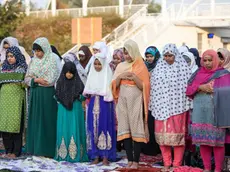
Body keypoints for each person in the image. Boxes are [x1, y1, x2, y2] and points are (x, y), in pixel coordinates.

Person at [149, 44, 191, 171]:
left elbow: (187, 90)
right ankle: (167, 163)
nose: (167, 58)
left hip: (178, 108)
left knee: (177, 138)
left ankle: (177, 164)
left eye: (170, 55)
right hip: (161, 107)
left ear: (175, 55)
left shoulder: (183, 69)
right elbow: (154, 88)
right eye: (165, 56)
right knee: (162, 138)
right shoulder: (158, 69)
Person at [186, 50, 229, 172]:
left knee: (217, 142)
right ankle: (206, 168)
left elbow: (228, 92)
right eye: (205, 60)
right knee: (203, 141)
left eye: (210, 60)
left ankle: (218, 169)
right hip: (200, 112)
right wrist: (200, 87)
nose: (207, 63)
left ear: (215, 60)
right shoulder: (198, 73)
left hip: (216, 113)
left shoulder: (223, 74)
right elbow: (188, 89)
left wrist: (215, 89)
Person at [112, 39, 150, 169]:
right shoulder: (120, 66)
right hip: (122, 101)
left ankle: (136, 161)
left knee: (136, 129)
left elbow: (144, 86)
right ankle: (129, 159)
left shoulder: (141, 66)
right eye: (125, 53)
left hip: (135, 101)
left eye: (128, 53)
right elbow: (114, 85)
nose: (127, 56)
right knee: (125, 129)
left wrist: (134, 78)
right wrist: (120, 77)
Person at [25, 37, 59, 158]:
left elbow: (50, 80)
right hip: (35, 95)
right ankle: (35, 149)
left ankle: (47, 150)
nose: (37, 53)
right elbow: (27, 79)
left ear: (45, 49)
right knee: (36, 120)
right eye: (35, 51)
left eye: (39, 51)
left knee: (47, 121)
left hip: (47, 95)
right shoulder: (33, 61)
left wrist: (35, 80)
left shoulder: (52, 60)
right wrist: (36, 80)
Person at [83, 46, 116, 166]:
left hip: (105, 103)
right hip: (93, 103)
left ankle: (106, 156)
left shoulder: (107, 74)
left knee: (104, 126)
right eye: (95, 64)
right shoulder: (92, 74)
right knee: (93, 127)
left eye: (99, 64)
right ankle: (95, 155)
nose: (97, 66)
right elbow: (88, 90)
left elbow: (109, 91)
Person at [55, 61, 88, 162]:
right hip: (63, 111)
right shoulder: (60, 82)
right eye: (67, 72)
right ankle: (62, 154)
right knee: (63, 129)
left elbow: (83, 96)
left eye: (71, 72)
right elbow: (57, 96)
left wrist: (79, 97)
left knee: (74, 128)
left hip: (75, 110)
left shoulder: (78, 82)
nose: (69, 74)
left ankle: (77, 154)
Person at [0, 46, 27, 158]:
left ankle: (15, 152)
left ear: (17, 56)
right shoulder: (3, 67)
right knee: (4, 125)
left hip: (16, 100)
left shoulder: (22, 67)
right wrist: (13, 78)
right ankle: (8, 151)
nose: (9, 58)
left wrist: (9, 78)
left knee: (16, 125)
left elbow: (22, 80)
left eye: (12, 56)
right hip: (4, 100)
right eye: (8, 56)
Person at [142, 46, 161, 156]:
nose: (149, 59)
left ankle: (156, 148)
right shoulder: (144, 67)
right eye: (147, 56)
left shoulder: (160, 67)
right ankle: (147, 148)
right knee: (147, 122)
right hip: (145, 98)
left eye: (151, 56)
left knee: (155, 124)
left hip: (157, 99)